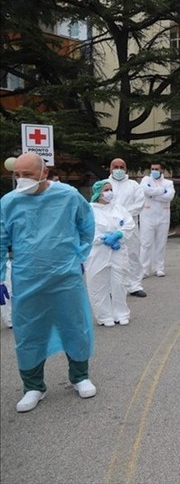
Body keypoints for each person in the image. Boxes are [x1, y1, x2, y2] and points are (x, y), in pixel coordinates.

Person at [0, 153, 97, 412]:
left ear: (44, 173)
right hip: (27, 276)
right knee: (28, 330)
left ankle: (79, 376)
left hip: (65, 274)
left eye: (27, 174)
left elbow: (87, 224)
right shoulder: (8, 202)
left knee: (74, 324)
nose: (21, 180)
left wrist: (80, 255)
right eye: (17, 175)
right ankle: (33, 386)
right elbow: (0, 240)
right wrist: (0, 278)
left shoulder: (67, 196)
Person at [86, 180, 136, 327]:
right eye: (106, 190)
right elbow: (86, 230)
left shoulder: (119, 208)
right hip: (98, 252)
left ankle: (121, 313)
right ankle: (104, 315)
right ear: (97, 193)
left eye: (110, 189)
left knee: (119, 282)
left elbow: (129, 224)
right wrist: (101, 239)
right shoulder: (90, 210)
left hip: (117, 250)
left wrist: (118, 235)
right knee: (97, 283)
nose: (109, 193)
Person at [108, 158, 147, 297]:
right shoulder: (105, 185)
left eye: (121, 167)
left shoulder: (133, 185)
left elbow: (139, 204)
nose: (118, 169)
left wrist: (123, 215)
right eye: (115, 167)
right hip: (110, 226)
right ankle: (113, 288)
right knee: (111, 257)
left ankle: (134, 285)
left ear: (126, 169)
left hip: (130, 226)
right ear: (110, 168)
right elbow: (99, 202)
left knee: (133, 255)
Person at [139, 163, 175, 277]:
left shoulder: (168, 183)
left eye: (156, 169)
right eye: (152, 169)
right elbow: (145, 191)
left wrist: (152, 195)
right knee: (146, 243)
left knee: (161, 243)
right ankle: (143, 269)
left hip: (163, 216)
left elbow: (169, 196)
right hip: (147, 216)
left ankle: (158, 268)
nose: (154, 171)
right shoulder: (145, 180)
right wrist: (161, 191)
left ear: (162, 170)